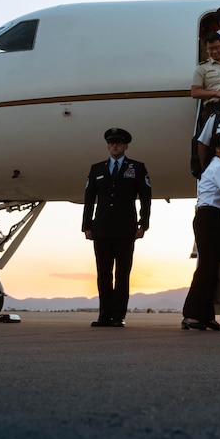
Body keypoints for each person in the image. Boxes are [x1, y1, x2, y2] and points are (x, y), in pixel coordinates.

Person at [82, 128, 152, 328]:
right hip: (101, 228)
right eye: (112, 143)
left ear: (125, 146)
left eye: (119, 143)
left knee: (122, 273)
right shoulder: (97, 169)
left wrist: (143, 224)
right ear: (108, 146)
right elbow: (89, 200)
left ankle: (118, 315)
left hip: (126, 228)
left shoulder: (137, 168)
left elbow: (146, 198)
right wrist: (87, 225)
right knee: (103, 273)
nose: (115, 146)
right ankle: (104, 315)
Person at [182, 133, 220, 331]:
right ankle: (191, 314)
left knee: (213, 268)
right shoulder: (218, 168)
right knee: (206, 267)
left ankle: (206, 314)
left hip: (215, 217)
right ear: (218, 149)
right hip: (209, 217)